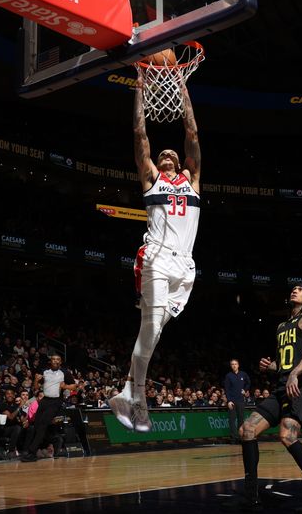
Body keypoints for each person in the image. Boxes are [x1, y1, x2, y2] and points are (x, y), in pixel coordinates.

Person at [109, 69, 202, 433]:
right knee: (149, 324)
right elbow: (139, 134)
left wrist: (182, 90)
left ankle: (127, 392)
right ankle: (138, 399)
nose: (165, 154)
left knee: (155, 331)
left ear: (179, 162)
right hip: (156, 258)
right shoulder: (152, 180)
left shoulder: (192, 181)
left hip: (187, 268)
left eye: (170, 153)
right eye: (161, 154)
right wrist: (139, 91)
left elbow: (192, 132)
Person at [224, 284, 302, 513]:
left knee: (287, 435)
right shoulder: (281, 326)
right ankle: (252, 496)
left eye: (301, 290)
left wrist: (295, 373)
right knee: (247, 430)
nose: (295, 291)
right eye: (293, 289)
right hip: (281, 386)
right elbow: (285, 364)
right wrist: (273, 366)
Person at [21, 354, 75, 462]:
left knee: (42, 425)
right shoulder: (44, 371)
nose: (55, 361)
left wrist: (65, 387)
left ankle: (32, 452)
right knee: (37, 426)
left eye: (57, 359)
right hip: (44, 401)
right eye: (53, 359)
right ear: (50, 361)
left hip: (55, 402)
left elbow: (74, 386)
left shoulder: (65, 372)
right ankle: (48, 445)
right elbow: (36, 387)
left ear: (60, 362)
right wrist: (36, 380)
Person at [224, 359, 250, 444]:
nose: (234, 365)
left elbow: (248, 383)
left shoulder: (243, 374)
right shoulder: (228, 376)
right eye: (232, 364)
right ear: (231, 366)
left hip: (240, 401)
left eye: (235, 364)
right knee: (232, 420)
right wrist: (229, 401)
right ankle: (233, 438)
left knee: (241, 420)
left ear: (238, 365)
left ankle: (240, 437)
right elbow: (227, 389)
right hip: (232, 401)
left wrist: (245, 390)